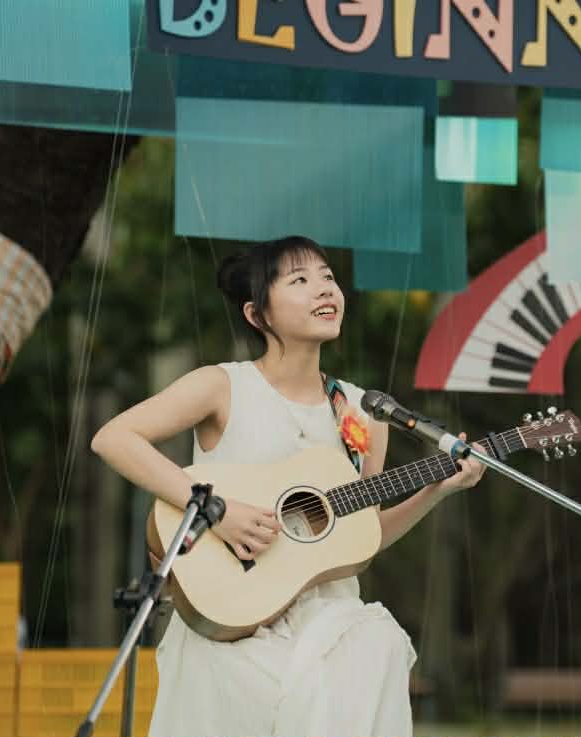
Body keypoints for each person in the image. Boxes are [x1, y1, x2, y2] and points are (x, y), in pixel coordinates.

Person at [90, 236, 485, 737]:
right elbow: (114, 438)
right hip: (233, 622)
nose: (325, 290)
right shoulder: (222, 386)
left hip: (328, 630)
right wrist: (215, 509)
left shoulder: (362, 410)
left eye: (328, 277)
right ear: (258, 314)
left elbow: (362, 534)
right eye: (300, 280)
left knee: (377, 643)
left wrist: (437, 490)